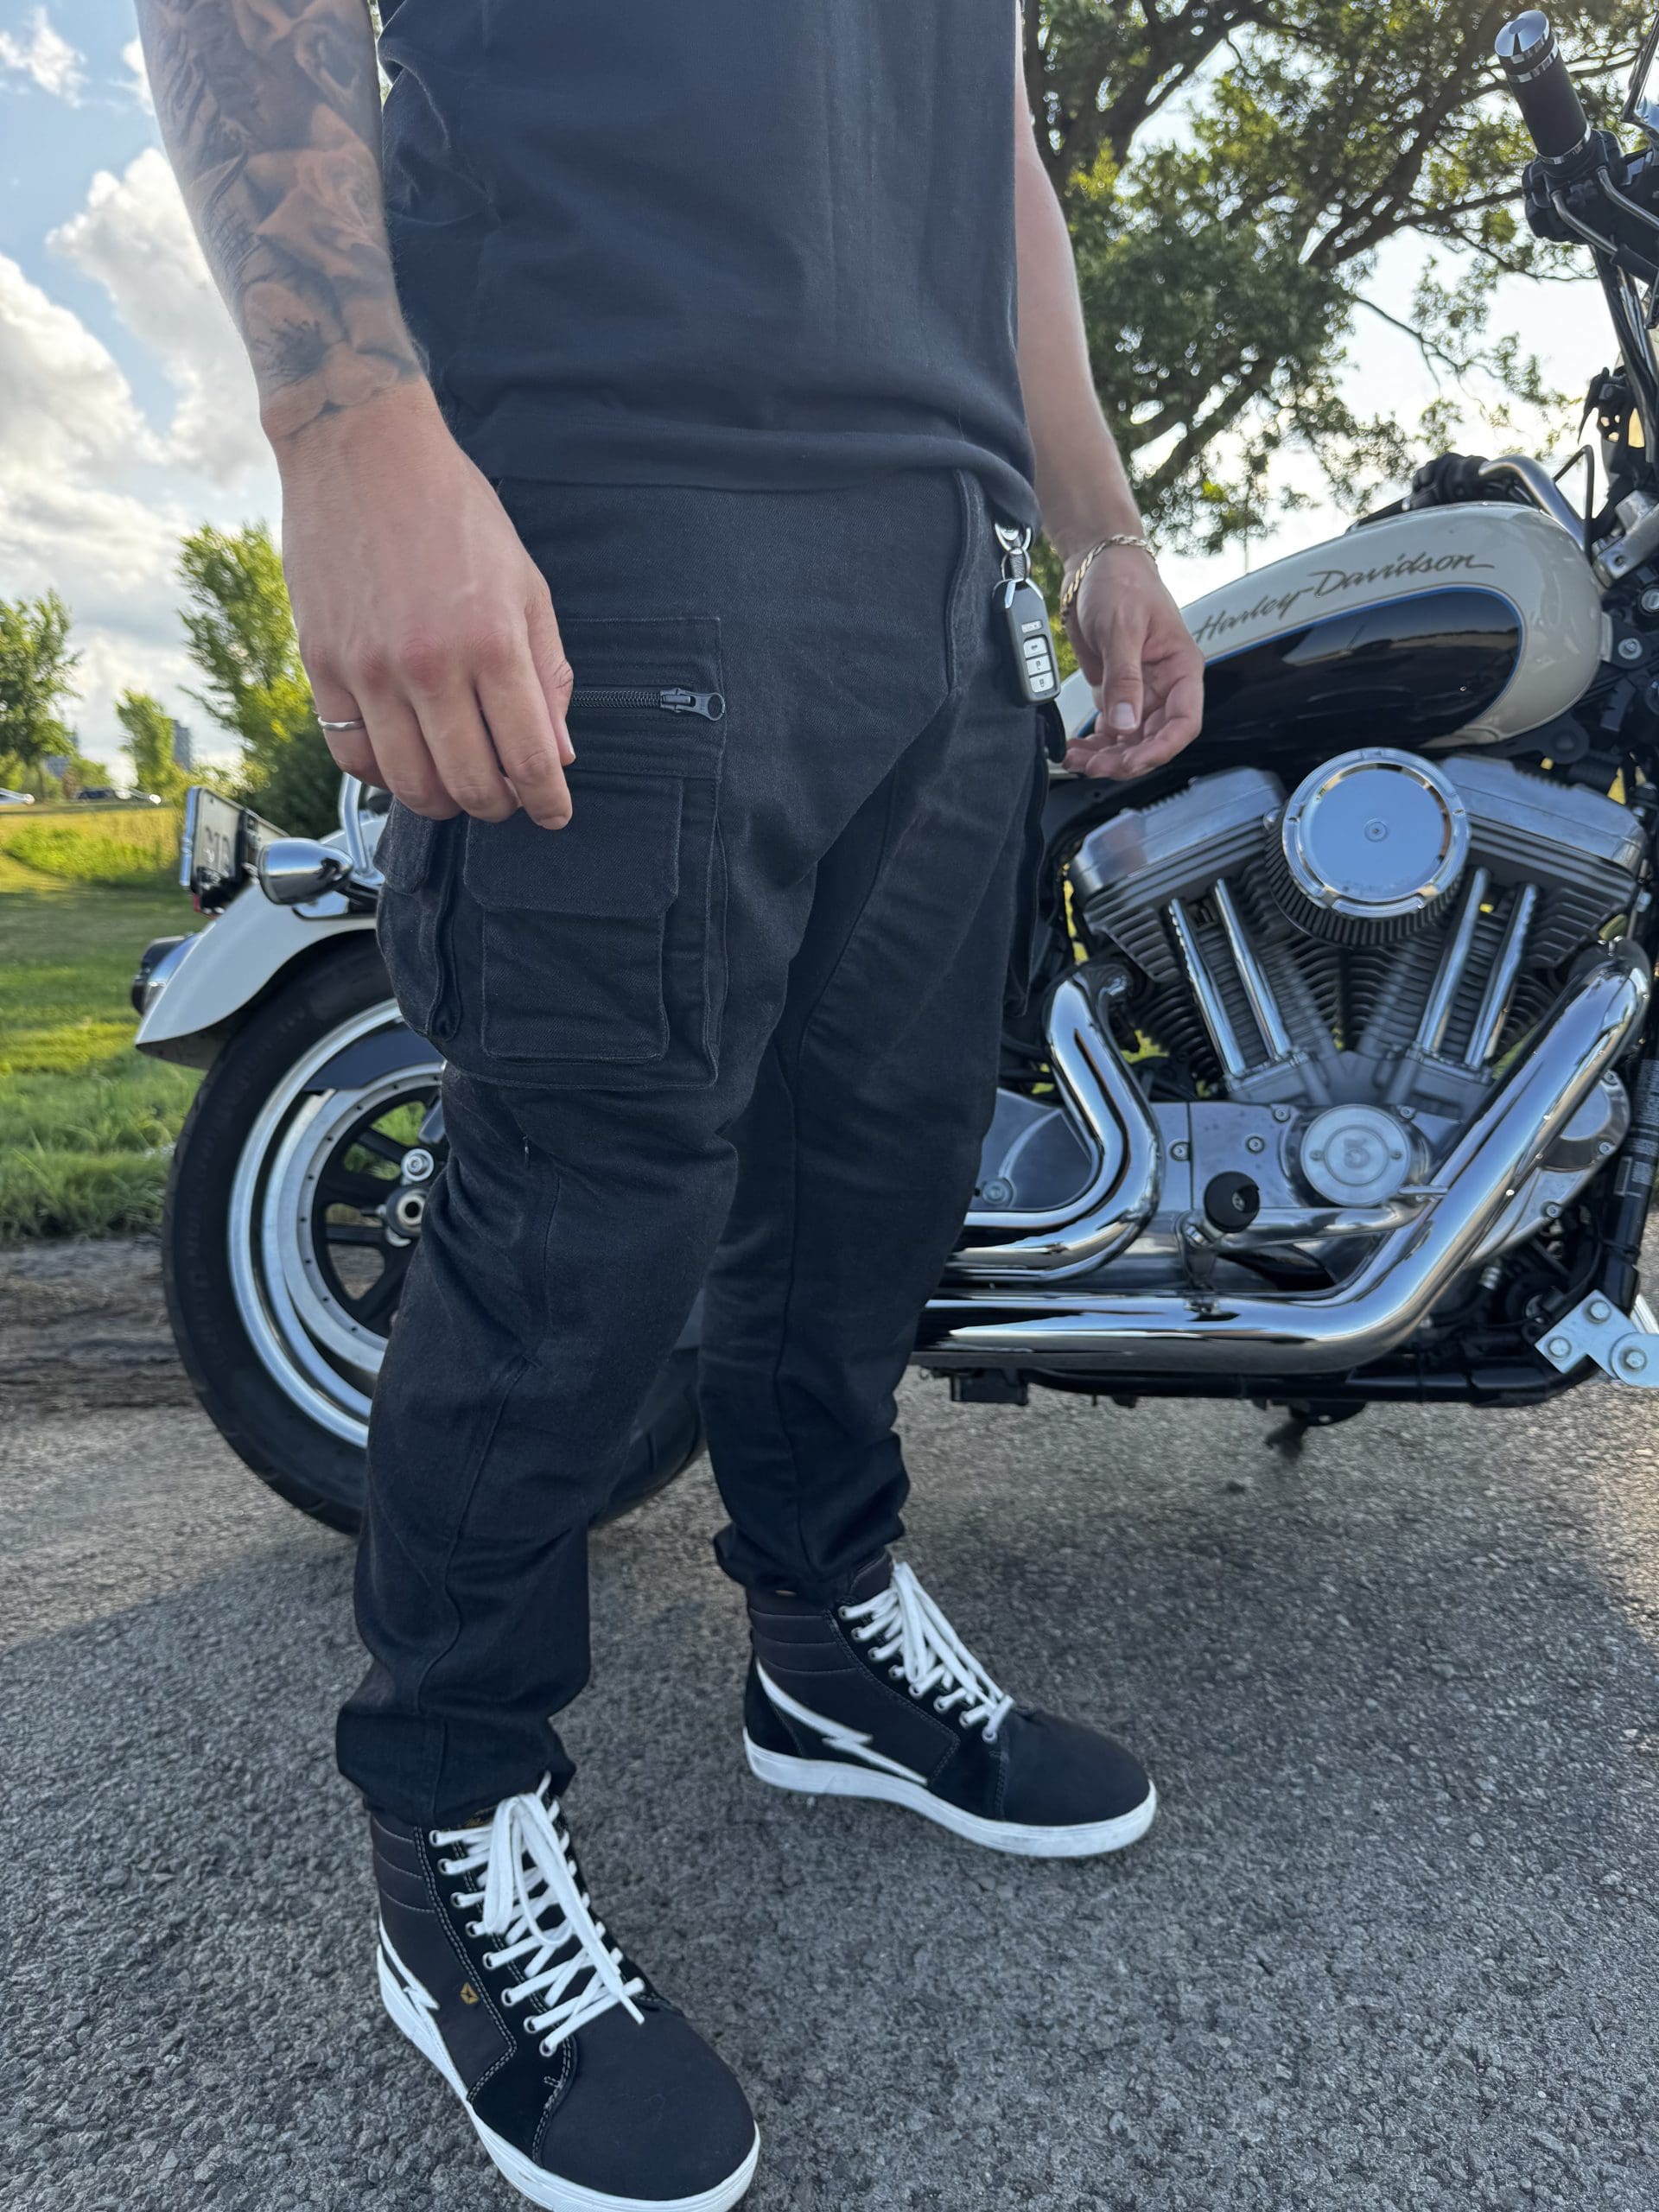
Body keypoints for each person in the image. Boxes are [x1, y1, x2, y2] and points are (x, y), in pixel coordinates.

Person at [137, 2, 1205, 2204]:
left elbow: (992, 143)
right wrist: (346, 426)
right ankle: (451, 1817)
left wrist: (1096, 516)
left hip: (944, 567)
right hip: (620, 484)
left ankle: (824, 1641)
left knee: (872, 1177)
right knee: (573, 1228)